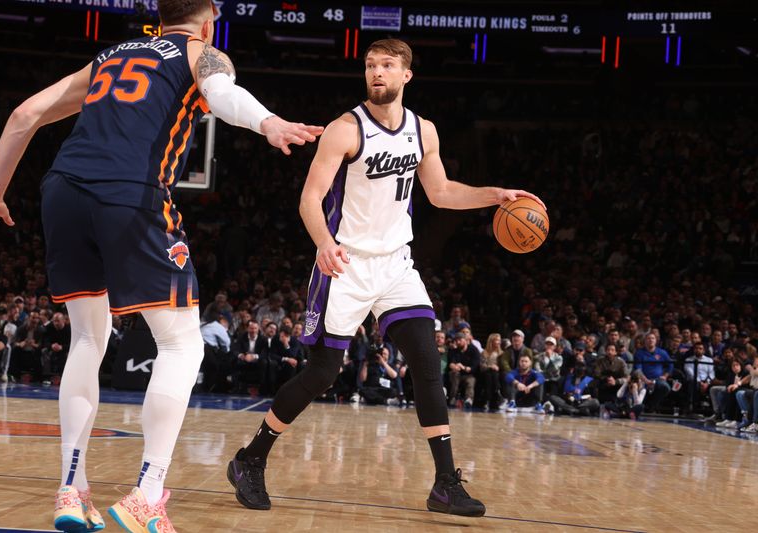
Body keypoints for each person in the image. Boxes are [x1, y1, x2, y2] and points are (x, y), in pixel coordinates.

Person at [0, 1, 323, 530]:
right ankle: (147, 495)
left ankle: (71, 491)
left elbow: (23, 115)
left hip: (63, 190)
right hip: (131, 193)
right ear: (209, 16)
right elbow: (223, 94)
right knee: (181, 343)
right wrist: (269, 123)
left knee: (85, 340)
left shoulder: (111, 55)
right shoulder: (201, 52)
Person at [226, 38, 544, 518]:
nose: (377, 72)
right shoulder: (344, 129)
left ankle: (444, 484)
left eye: (387, 65)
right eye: (371, 65)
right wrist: (323, 243)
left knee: (426, 362)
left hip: (396, 264)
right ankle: (250, 459)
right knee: (322, 374)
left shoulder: (424, 131)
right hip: (346, 263)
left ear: (406, 75)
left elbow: (440, 193)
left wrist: (494, 195)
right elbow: (310, 198)